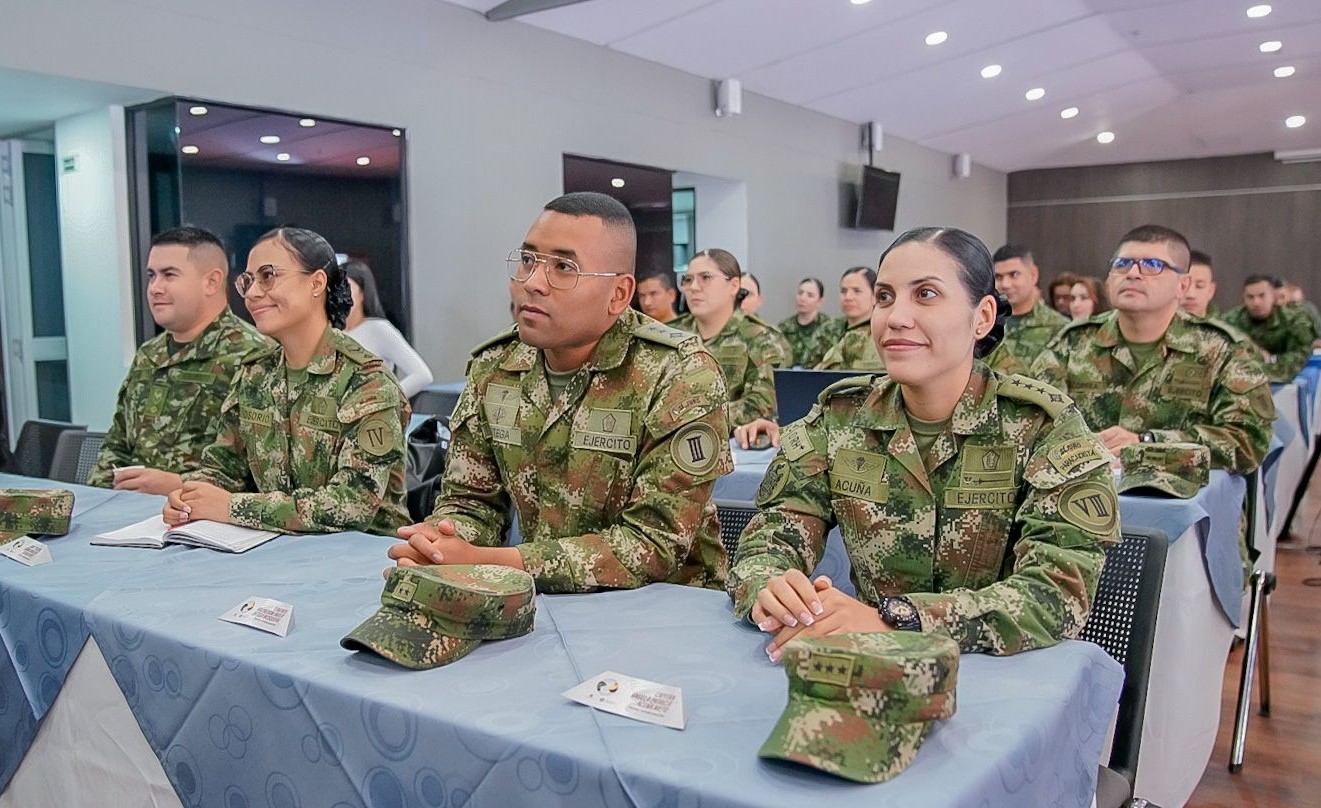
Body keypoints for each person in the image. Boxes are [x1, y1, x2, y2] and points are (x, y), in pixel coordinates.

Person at [728, 226, 1118, 659]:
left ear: (983, 317)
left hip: (1000, 673)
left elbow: (1057, 592)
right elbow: (770, 538)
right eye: (885, 297)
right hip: (870, 667)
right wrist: (771, 586)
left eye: (926, 295)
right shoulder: (840, 418)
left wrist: (897, 620)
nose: (896, 317)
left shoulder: (1043, 427)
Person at [386, 192, 731, 593]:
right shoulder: (496, 366)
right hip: (544, 605)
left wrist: (494, 562)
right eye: (529, 260)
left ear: (618, 294)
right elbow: (471, 501)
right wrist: (441, 548)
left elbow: (652, 545)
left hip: (667, 615)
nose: (532, 283)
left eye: (564, 268)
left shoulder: (679, 373)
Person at [164, 227, 410, 534]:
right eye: (248, 281)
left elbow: (351, 504)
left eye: (268, 276)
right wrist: (191, 496)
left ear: (317, 283)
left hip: (360, 560)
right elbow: (224, 465)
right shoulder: (255, 374)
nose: (252, 293)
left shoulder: (366, 381)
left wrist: (232, 507)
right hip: (272, 551)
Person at [1031, 225, 1273, 474]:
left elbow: (1248, 442)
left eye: (1152, 265)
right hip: (1083, 498)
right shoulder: (1072, 343)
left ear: (1183, 285)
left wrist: (1148, 444)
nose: (1133, 273)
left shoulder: (1222, 350)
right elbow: (1030, 423)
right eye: (1122, 264)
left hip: (1180, 505)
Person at [88, 226, 269, 494]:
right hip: (129, 514)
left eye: (169, 275)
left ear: (211, 282)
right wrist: (98, 496)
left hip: (204, 518)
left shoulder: (255, 355)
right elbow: (116, 445)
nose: (155, 288)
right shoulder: (149, 355)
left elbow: (264, 473)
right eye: (151, 276)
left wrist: (179, 485)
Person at [671, 249, 785, 426]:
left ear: (733, 286)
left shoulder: (760, 339)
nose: (693, 287)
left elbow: (762, 403)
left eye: (706, 277)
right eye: (688, 279)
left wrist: (693, 420)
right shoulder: (671, 334)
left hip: (730, 444)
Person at [343, 260, 434, 398]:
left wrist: (383, 401)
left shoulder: (378, 329)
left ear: (362, 293)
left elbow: (422, 375)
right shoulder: (332, 332)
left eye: (347, 288)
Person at [984, 244, 1068, 375]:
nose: (1005, 284)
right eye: (999, 277)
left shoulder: (1060, 328)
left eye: (1014, 275)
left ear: (1033, 275)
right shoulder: (984, 324)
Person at [1221, 274, 1318, 384]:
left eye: (1262, 296)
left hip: (1287, 384)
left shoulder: (1294, 320)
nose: (1256, 302)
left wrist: (1272, 360)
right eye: (1250, 297)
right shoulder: (1229, 321)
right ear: (1243, 298)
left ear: (1273, 297)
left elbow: (1300, 354)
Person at [816, 266, 884, 371]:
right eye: (843, 291)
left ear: (874, 296)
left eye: (857, 291)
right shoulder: (827, 330)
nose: (848, 297)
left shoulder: (882, 332)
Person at [777, 277, 841, 368]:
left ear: (820, 301)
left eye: (810, 295)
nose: (802, 298)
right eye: (800, 293)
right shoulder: (784, 327)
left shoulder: (830, 327)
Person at [740, 272, 794, 360]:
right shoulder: (714, 330)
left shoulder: (772, 335)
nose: (742, 300)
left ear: (759, 300)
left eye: (748, 294)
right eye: (739, 293)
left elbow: (783, 364)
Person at [1181, 250, 1218, 319]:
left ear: (1211, 291)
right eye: (1183, 286)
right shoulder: (1155, 328)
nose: (1191, 295)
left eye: (1199, 286)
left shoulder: (1228, 329)